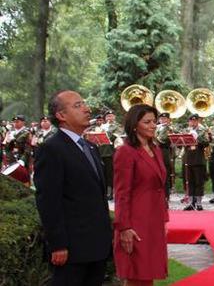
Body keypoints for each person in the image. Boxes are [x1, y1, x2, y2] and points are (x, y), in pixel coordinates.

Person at [34, 90, 112, 286]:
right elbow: (48, 201)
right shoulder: (52, 149)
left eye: (84, 104)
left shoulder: (90, 147)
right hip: (72, 250)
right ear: (61, 115)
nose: (87, 109)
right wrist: (58, 244)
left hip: (97, 246)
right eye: (77, 106)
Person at [112, 104, 169, 285]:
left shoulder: (156, 150)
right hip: (136, 222)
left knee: (148, 273)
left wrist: (163, 218)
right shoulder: (126, 152)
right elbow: (122, 193)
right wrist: (124, 227)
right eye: (147, 122)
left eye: (154, 121)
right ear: (134, 125)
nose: (153, 125)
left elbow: (159, 187)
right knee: (137, 274)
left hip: (154, 220)